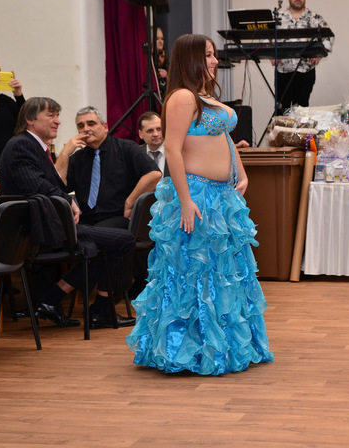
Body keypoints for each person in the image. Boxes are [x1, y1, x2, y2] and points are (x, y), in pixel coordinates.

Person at [126, 34, 273, 374]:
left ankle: (226, 345)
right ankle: (194, 350)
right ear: (190, 58)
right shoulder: (182, 97)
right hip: (197, 194)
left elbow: (225, 138)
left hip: (222, 196)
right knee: (196, 272)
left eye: (213, 54)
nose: (213, 60)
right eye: (207, 55)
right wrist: (185, 199)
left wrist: (241, 172)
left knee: (225, 272)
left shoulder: (205, 97)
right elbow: (173, 149)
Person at [0, 97, 136, 329]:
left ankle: (55, 300)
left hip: (46, 224)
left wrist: (67, 199)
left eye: (58, 115)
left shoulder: (34, 146)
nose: (58, 121)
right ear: (30, 119)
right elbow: (37, 186)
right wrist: (69, 200)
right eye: (51, 115)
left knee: (112, 242)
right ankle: (96, 310)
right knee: (123, 240)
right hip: (36, 230)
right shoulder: (22, 144)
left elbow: (49, 185)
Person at [56, 106, 161, 229]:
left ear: (105, 127)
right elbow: (57, 185)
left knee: (89, 234)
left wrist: (130, 202)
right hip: (87, 219)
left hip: (119, 218)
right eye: (81, 126)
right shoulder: (77, 158)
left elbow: (154, 175)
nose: (86, 129)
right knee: (62, 233)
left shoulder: (126, 148)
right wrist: (64, 153)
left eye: (91, 124)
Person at [274, 0, 333, 114]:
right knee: (281, 111)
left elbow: (329, 37)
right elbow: (265, 38)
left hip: (305, 72)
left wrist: (319, 53)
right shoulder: (278, 18)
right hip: (283, 71)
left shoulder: (315, 18)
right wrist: (272, 55)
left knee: (301, 112)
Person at [138, 111, 169, 176]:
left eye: (159, 129)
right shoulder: (137, 154)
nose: (156, 134)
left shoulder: (176, 150)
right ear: (141, 134)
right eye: (150, 131)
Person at [154, 27, 169, 99]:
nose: (160, 42)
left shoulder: (168, 66)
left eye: (162, 39)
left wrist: (167, 76)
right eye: (157, 39)